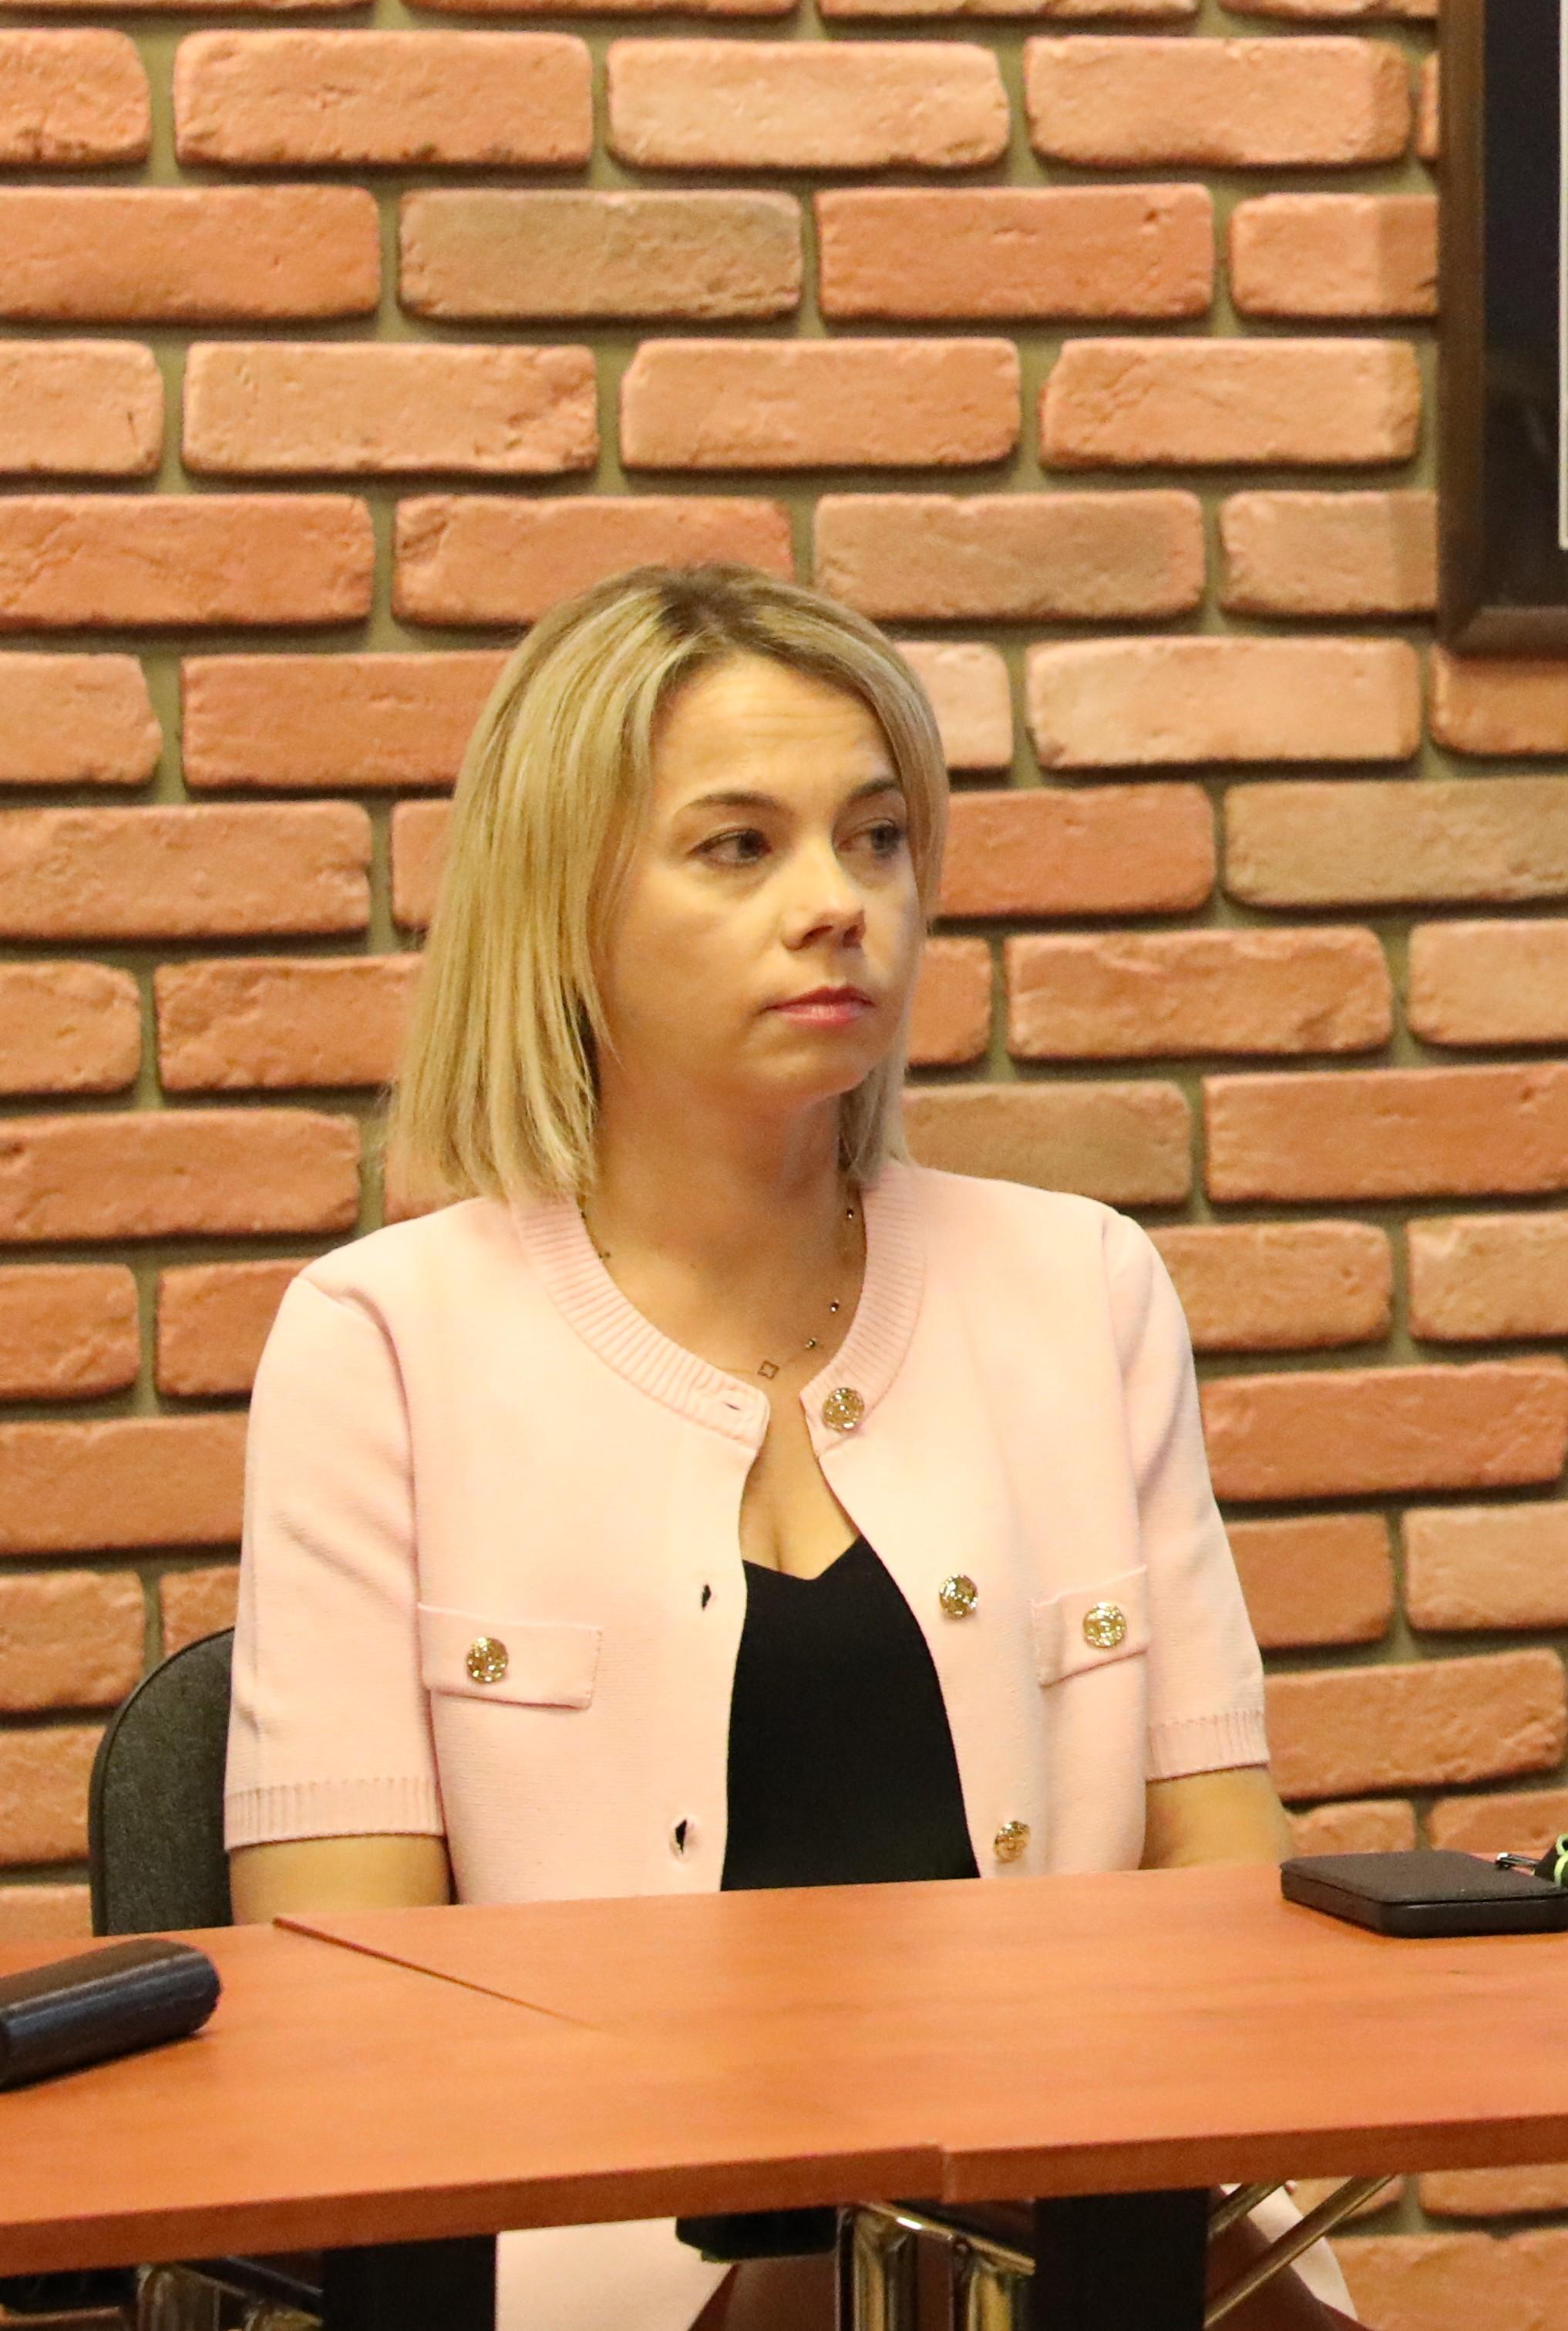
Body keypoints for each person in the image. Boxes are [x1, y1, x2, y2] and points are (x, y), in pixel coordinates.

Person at [221, 567, 1338, 2331]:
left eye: (876, 840)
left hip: (1085, 2252)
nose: (838, 906)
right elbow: (347, 2019)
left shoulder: (1081, 1287)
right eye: (738, 848)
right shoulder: (382, 1343)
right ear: (562, 905)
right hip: (597, 2271)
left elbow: (1224, 1894)